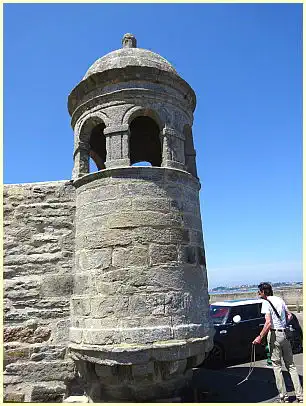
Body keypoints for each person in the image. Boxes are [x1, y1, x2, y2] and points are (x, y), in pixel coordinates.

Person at [252, 282, 303, 403]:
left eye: (259, 291)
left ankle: (283, 397)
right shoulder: (280, 300)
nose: (258, 293)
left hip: (274, 334)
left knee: (277, 366)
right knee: (291, 366)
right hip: (284, 333)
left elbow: (268, 323)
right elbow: (289, 315)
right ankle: (300, 396)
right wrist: (283, 324)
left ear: (264, 292)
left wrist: (260, 337)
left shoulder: (266, 303)